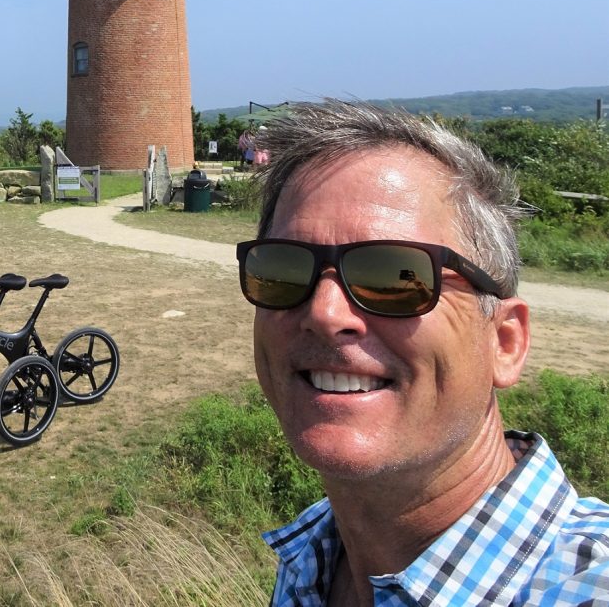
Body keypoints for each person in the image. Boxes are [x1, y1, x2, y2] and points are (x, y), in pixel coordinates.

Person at [236, 100, 609, 606]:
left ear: (505, 342)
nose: (324, 312)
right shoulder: (312, 556)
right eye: (283, 269)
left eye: (394, 275)